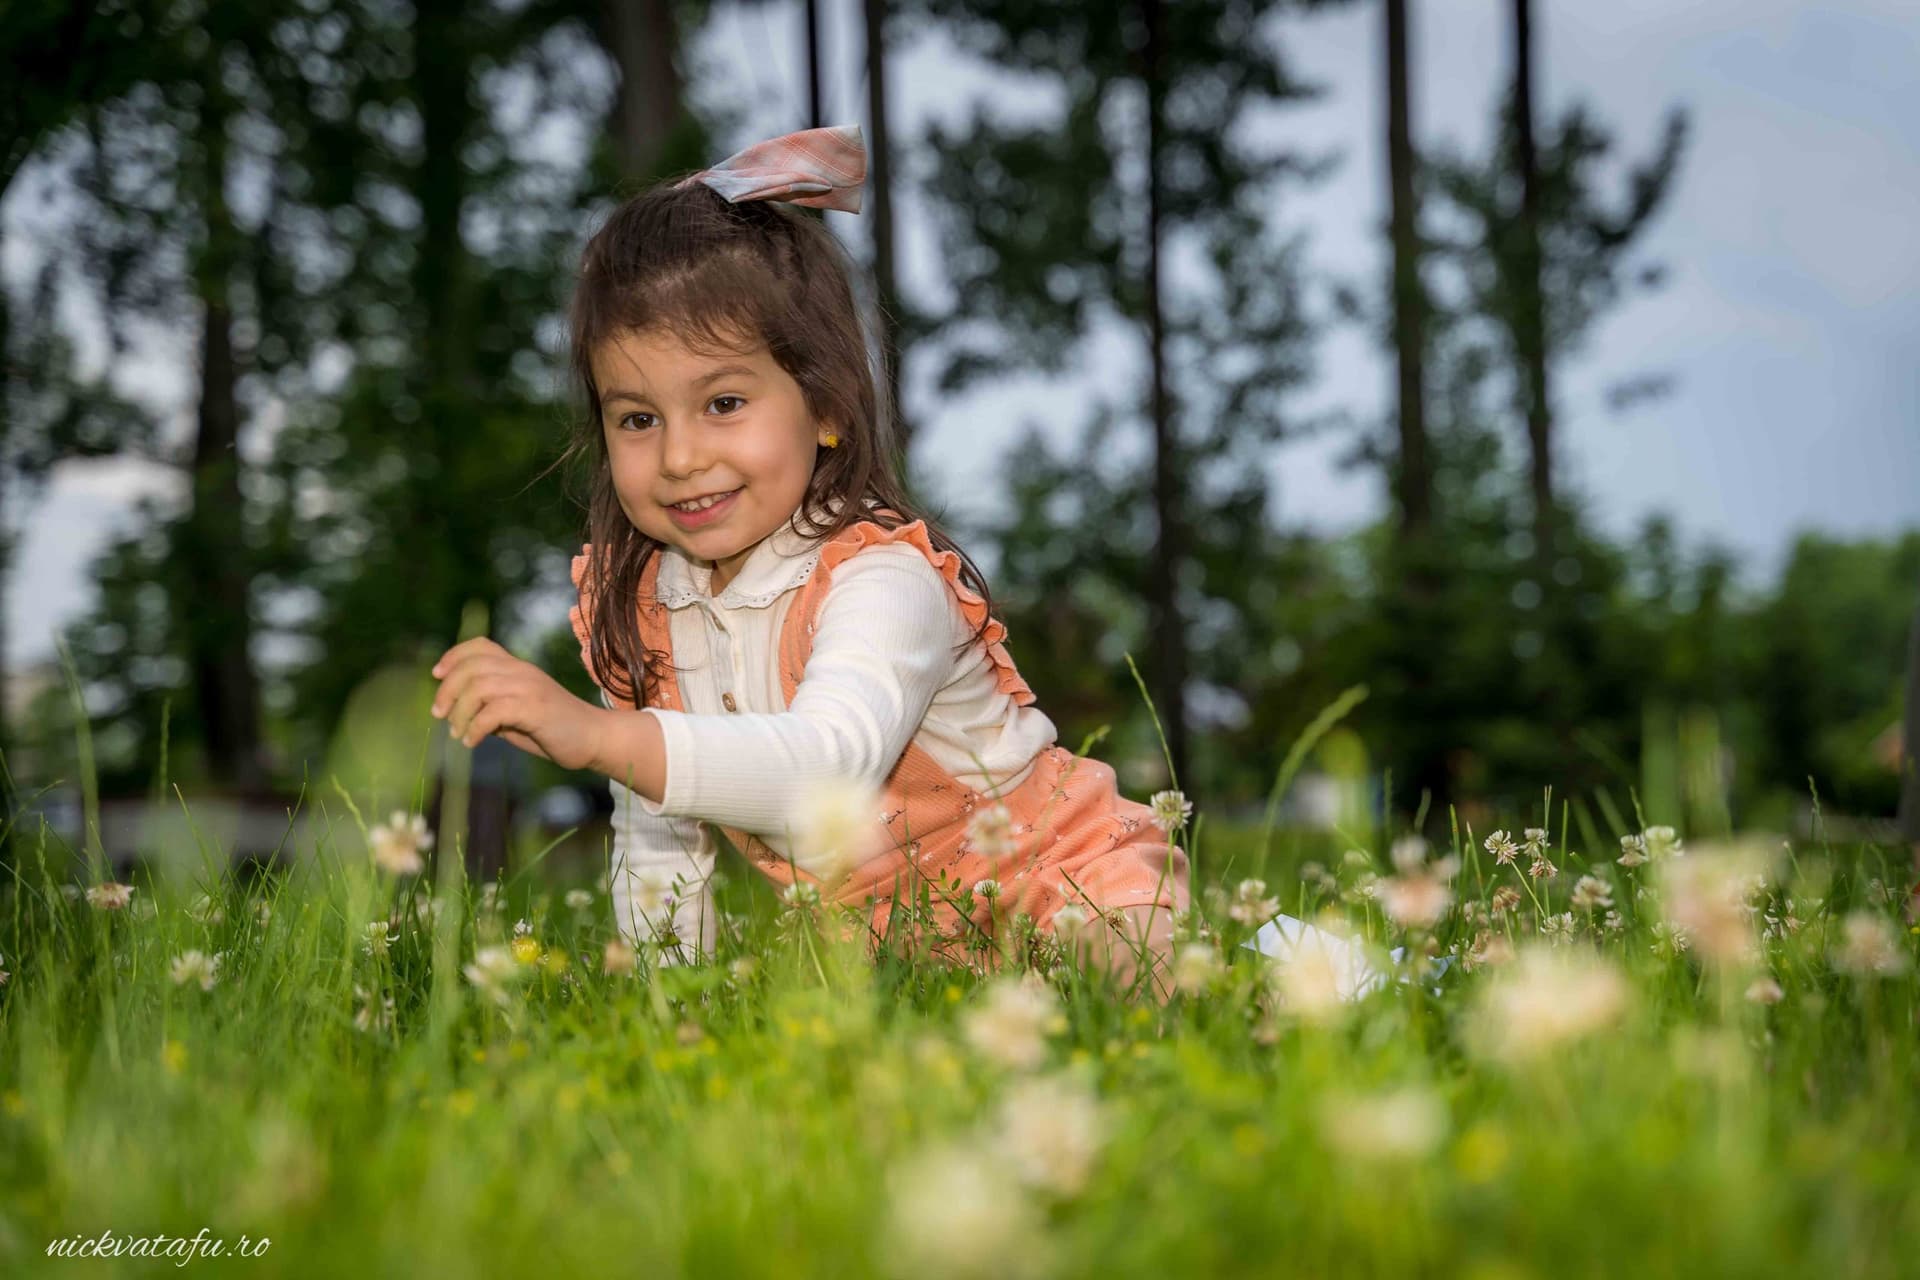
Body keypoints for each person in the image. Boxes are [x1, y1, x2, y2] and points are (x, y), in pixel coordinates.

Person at [428, 124, 1190, 999]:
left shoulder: (882, 580)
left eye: (722, 402)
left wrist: (601, 739)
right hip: (898, 947)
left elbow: (824, 768)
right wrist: (673, 1009)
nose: (678, 457)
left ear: (825, 405)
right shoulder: (641, 611)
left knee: (1114, 981)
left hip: (1069, 879)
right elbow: (657, 842)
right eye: (638, 418)